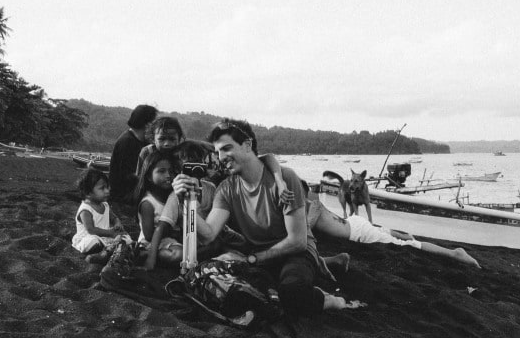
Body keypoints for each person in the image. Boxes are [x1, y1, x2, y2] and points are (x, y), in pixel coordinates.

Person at [172, 119, 363, 315]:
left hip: (295, 254)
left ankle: (335, 300)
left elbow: (297, 242)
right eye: (217, 151)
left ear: (247, 145)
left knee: (292, 294)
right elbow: (208, 234)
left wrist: (254, 259)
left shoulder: (284, 179)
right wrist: (185, 202)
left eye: (226, 148)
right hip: (258, 257)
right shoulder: (226, 189)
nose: (220, 157)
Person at [150, 140, 295, 265]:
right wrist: (151, 259)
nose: (194, 171)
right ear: (179, 171)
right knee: (191, 252)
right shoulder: (176, 196)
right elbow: (162, 226)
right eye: (188, 167)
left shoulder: (211, 188)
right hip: (196, 240)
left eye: (198, 165)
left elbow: (224, 212)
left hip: (218, 233)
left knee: (245, 245)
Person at [303, 182, 481, 268]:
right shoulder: (301, 206)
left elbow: (316, 206)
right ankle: (404, 234)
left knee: (407, 245)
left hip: (357, 231)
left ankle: (455, 253)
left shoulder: (309, 205)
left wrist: (304, 229)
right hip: (354, 223)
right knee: (391, 234)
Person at [132, 150, 183, 270]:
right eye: (161, 171)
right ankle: (146, 255)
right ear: (149, 176)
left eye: (171, 171)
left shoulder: (173, 196)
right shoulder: (148, 203)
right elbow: (149, 235)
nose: (168, 175)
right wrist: (175, 232)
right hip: (151, 243)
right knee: (179, 255)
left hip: (171, 240)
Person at [71, 169, 132, 264]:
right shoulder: (85, 210)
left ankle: (109, 251)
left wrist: (117, 223)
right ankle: (105, 252)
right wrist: (110, 233)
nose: (107, 191)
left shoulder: (105, 204)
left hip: (106, 235)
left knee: (125, 236)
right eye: (102, 188)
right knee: (93, 242)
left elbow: (113, 217)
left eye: (108, 187)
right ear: (87, 192)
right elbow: (91, 230)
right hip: (90, 236)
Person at [109, 104, 158, 206]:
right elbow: (127, 176)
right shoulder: (127, 142)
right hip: (124, 194)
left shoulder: (142, 141)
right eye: (154, 123)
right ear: (147, 124)